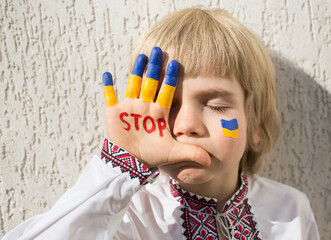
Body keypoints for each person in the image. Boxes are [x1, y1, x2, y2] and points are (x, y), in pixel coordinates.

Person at [3, 8, 319, 240]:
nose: (186, 125)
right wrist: (119, 163)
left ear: (256, 129)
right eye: (167, 105)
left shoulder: (291, 209)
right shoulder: (127, 215)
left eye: (217, 105)